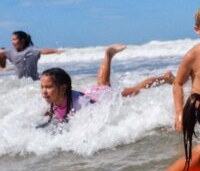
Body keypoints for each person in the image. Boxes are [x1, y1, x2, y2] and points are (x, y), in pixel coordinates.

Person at [39, 45, 174, 125]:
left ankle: (166, 78)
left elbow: (99, 115)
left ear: (63, 88)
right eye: (42, 87)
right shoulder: (54, 99)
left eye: (49, 87)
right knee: (102, 81)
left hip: (105, 98)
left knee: (137, 89)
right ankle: (108, 56)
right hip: (93, 94)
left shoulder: (79, 103)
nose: (44, 91)